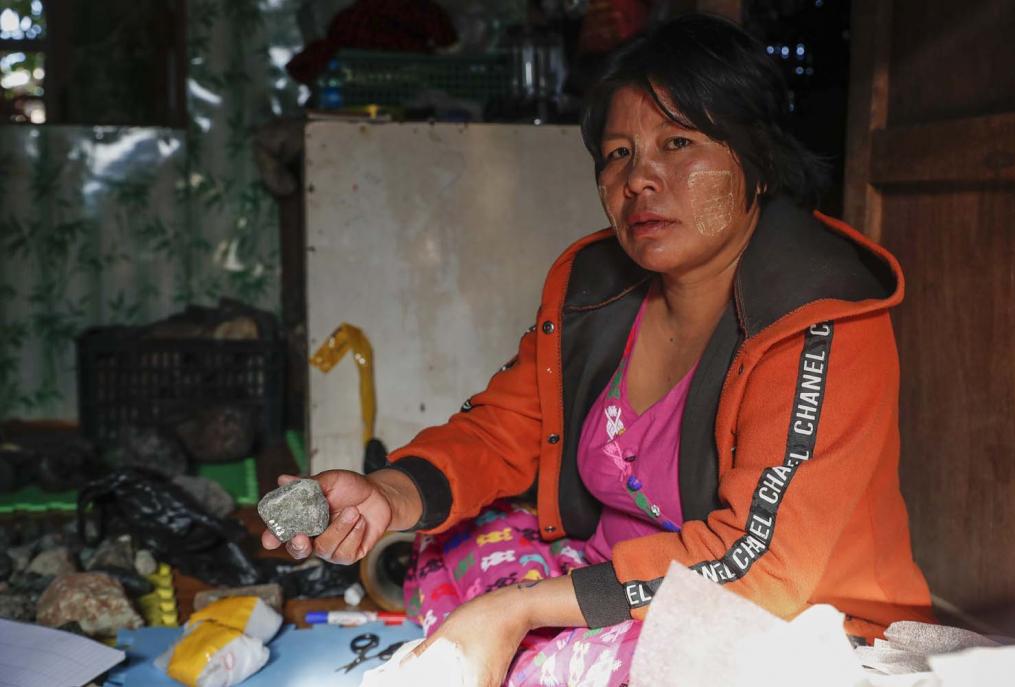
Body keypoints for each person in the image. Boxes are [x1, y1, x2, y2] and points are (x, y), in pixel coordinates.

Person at [263, 13, 934, 686]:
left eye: (678, 142)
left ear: (756, 159)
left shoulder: (819, 320)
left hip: (775, 612)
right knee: (460, 540)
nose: (640, 178)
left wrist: (518, 608)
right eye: (618, 153)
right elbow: (503, 431)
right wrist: (385, 492)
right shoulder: (593, 288)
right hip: (612, 573)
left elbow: (761, 567)